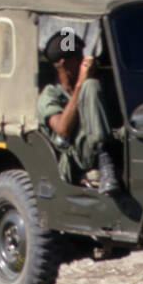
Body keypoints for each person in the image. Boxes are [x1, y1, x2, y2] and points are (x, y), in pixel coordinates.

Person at [38, 33, 121, 194]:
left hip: (101, 144)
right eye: (78, 58)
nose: (84, 61)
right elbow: (62, 129)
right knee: (90, 85)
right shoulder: (49, 95)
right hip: (75, 158)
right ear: (64, 64)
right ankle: (104, 159)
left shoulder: (93, 85)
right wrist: (81, 83)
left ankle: (107, 159)